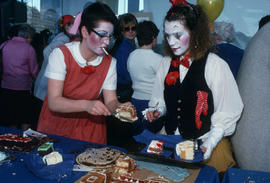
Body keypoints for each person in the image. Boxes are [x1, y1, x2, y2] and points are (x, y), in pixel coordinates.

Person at [145, 2, 243, 173]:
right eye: (167, 36)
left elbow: (227, 110)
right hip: (169, 141)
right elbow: (161, 101)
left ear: (195, 33)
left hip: (203, 142)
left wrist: (210, 143)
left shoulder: (215, 65)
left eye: (177, 35)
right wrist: (158, 111)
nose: (172, 42)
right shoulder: (165, 63)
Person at [37, 2, 132, 144]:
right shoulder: (61, 54)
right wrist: (86, 105)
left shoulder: (110, 62)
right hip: (56, 126)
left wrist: (120, 108)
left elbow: (111, 100)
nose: (106, 41)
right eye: (102, 35)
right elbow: (54, 102)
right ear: (85, 32)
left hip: (89, 129)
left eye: (110, 36)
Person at [127, 20, 163, 134]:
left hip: (135, 101)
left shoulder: (131, 55)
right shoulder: (158, 59)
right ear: (153, 38)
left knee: (139, 137)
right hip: (152, 103)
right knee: (153, 139)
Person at [0, 24, 38, 130]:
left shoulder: (4, 45)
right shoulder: (29, 49)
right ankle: (24, 141)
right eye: (31, 37)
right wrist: (37, 81)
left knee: (11, 118)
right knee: (25, 117)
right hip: (23, 88)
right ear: (28, 36)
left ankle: (12, 141)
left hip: (6, 87)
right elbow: (33, 70)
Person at [110, 13, 138, 102]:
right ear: (122, 31)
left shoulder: (128, 44)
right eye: (127, 29)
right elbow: (125, 72)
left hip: (123, 87)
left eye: (133, 28)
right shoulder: (124, 47)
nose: (131, 31)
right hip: (123, 88)